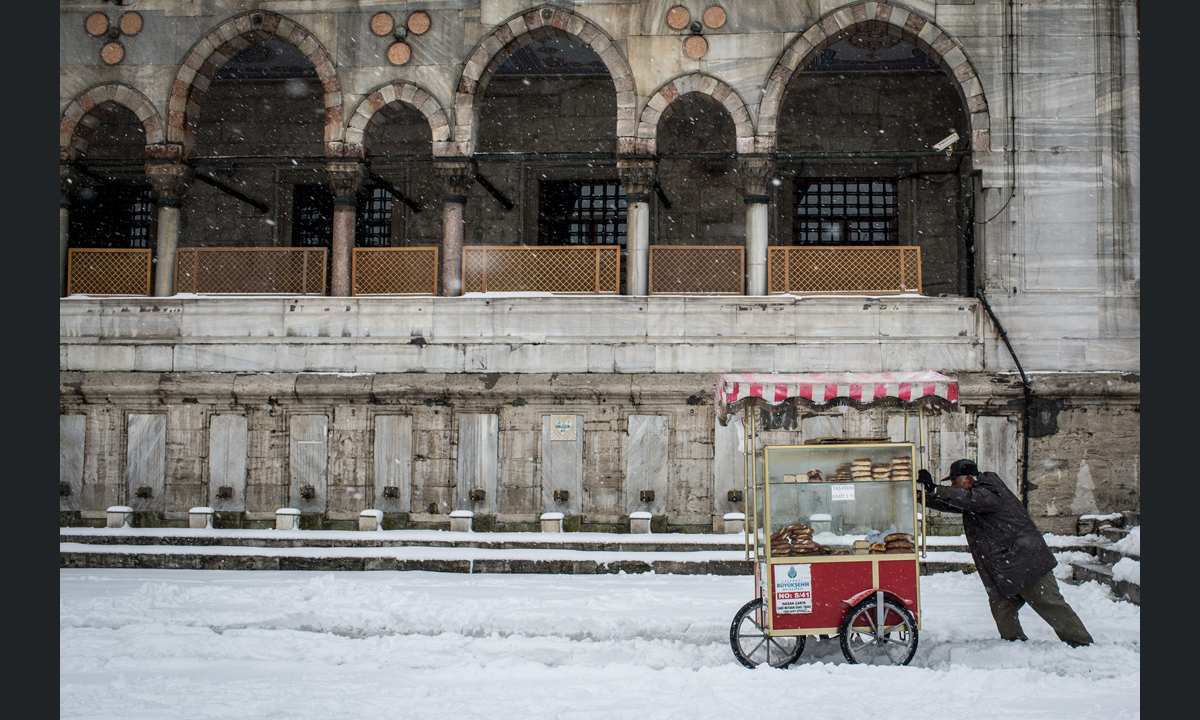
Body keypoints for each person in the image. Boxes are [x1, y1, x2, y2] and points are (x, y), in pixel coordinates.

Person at [917, 459, 1093, 647]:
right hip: (1007, 567)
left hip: (1027, 563)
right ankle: (1014, 645)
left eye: (954, 481)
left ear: (969, 478)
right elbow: (954, 503)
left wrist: (935, 488)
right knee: (1001, 606)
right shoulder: (976, 497)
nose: (952, 485)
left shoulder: (990, 492)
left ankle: (1081, 643)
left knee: (1049, 604)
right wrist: (922, 496)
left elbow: (968, 499)